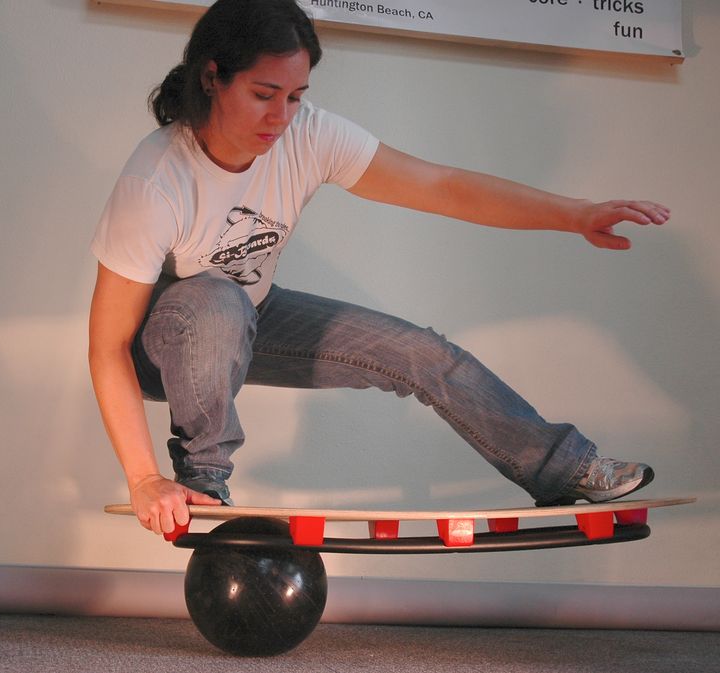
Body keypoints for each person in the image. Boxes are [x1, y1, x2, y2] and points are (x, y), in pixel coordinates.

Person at [89, 0, 667, 536]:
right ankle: (202, 475)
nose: (282, 116)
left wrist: (576, 215)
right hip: (159, 345)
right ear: (213, 77)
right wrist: (144, 478)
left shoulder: (310, 134)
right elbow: (108, 346)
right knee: (216, 297)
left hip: (250, 317)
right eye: (265, 94)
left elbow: (443, 186)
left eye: (295, 96)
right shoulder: (157, 179)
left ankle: (561, 467)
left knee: (418, 351)